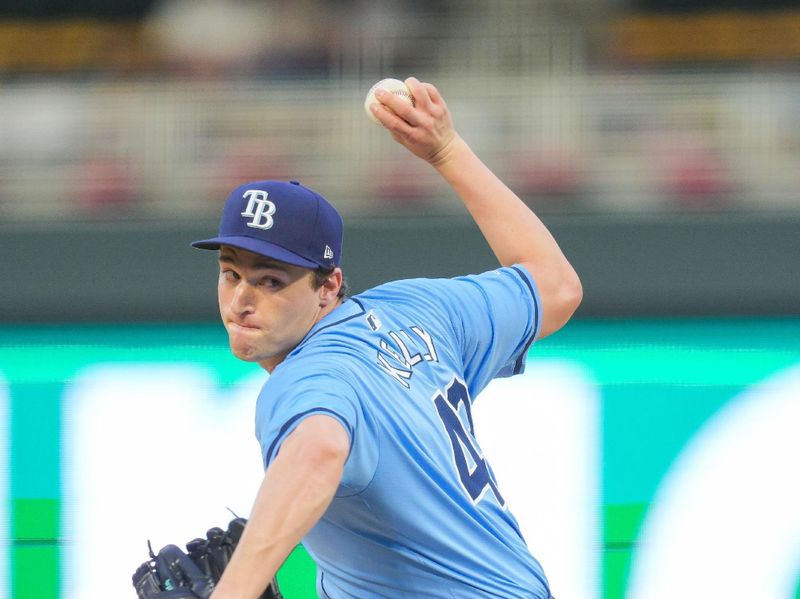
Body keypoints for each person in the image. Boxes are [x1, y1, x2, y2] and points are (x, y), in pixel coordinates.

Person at [193, 77, 582, 598]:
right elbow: (556, 286)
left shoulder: (310, 375)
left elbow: (318, 452)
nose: (242, 299)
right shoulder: (419, 309)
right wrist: (447, 150)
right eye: (231, 272)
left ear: (327, 286)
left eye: (270, 280)